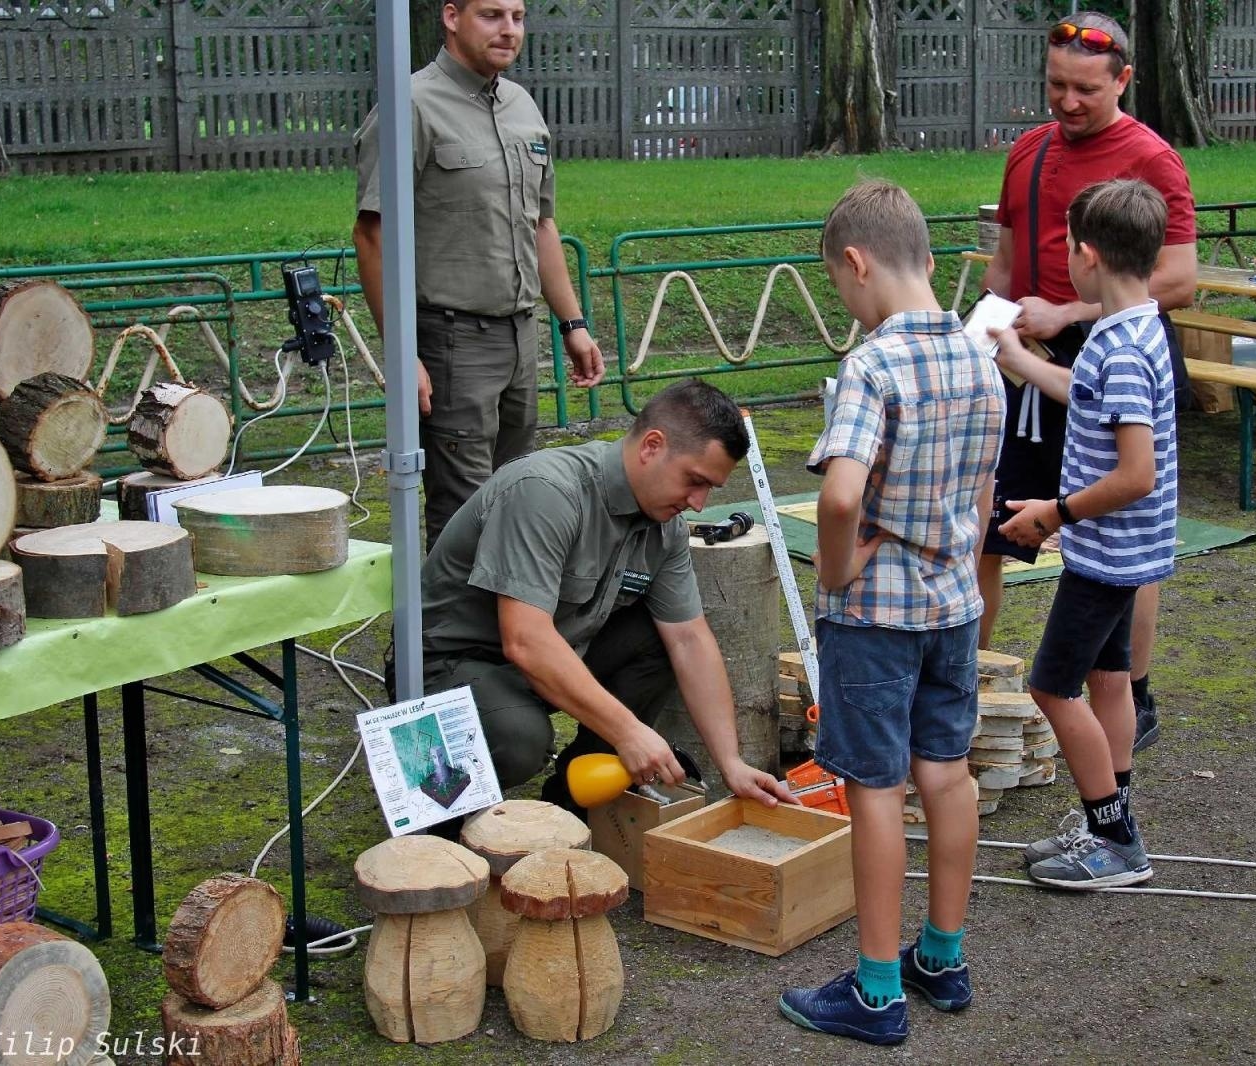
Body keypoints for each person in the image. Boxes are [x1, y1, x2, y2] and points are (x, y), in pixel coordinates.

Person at [778, 182, 1004, 1045]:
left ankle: (876, 993)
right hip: (951, 605)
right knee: (945, 772)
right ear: (929, 261)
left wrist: (836, 572)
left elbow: (840, 497)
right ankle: (941, 957)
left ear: (856, 263)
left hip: (874, 616)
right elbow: (983, 494)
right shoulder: (980, 357)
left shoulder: (872, 366)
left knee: (871, 788)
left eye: (840, 285)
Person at [417, 379, 795, 819]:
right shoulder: (546, 491)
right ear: (652, 446)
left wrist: (732, 763)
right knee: (520, 738)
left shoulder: (664, 527)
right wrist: (628, 731)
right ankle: (441, 823)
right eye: (694, 481)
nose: (698, 503)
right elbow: (525, 641)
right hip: (451, 663)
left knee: (658, 640)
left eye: (710, 489)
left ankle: (572, 803)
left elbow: (689, 639)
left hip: (552, 653)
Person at [980, 10, 1196, 753]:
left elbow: (1179, 277)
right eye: (1055, 86)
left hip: (1105, 350)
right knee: (992, 519)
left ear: (1123, 80)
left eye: (1085, 90)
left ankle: (1131, 692)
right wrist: (983, 334)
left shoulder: (1152, 157)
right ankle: (968, 675)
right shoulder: (1027, 152)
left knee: (1116, 540)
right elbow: (1003, 267)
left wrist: (1069, 308)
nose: (1067, 102)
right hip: (1025, 363)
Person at [352, 0, 605, 545]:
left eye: (517, 16)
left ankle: (504, 629)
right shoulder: (410, 106)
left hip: (519, 334)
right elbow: (372, 237)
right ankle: (443, 631)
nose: (508, 30)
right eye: (491, 15)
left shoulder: (522, 106)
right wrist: (402, 355)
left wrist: (572, 323)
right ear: (451, 17)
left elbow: (542, 225)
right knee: (463, 512)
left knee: (516, 495)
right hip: (451, 342)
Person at [994, 178, 1178, 889]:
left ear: (1089, 256)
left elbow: (1137, 473)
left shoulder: (1122, 349)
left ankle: (1116, 841)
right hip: (1124, 550)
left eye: (1069, 244)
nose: (1066, 256)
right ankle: (1111, 820)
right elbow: (1091, 396)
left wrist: (1055, 512)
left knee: (1051, 688)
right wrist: (1022, 362)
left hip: (1104, 554)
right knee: (1109, 681)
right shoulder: (1130, 330)